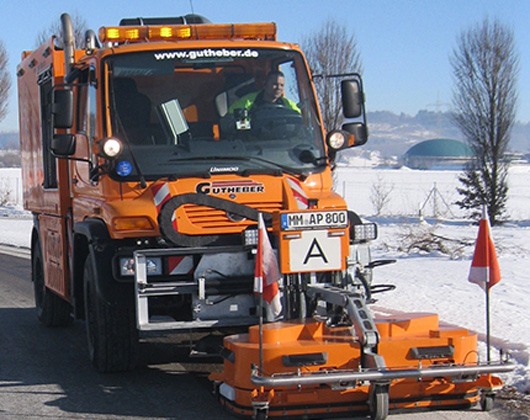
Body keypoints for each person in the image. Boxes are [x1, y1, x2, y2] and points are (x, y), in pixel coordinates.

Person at [228, 70, 300, 114]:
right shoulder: (248, 101)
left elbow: (299, 118)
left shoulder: (288, 104)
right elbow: (231, 115)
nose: (279, 88)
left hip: (281, 138)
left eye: (282, 85)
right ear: (265, 85)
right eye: (275, 84)